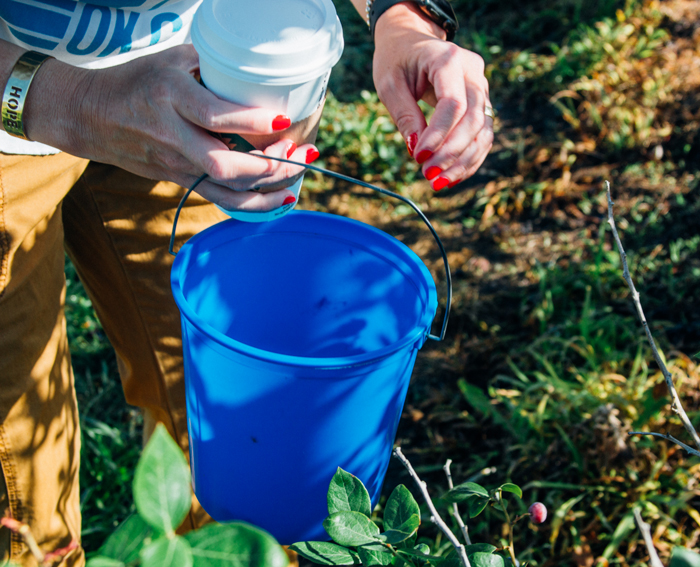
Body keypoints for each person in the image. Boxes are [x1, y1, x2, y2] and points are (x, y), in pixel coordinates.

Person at [0, 0, 494, 564]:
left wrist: (402, 19)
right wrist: (75, 104)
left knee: (227, 434)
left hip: (189, 89)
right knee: (20, 497)